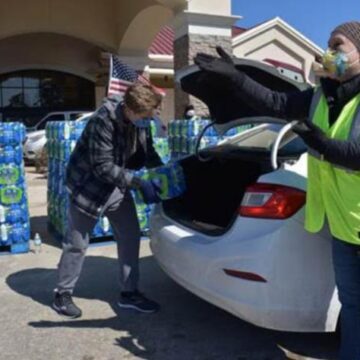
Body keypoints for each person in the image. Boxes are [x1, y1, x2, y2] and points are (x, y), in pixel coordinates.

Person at [195, 21, 360, 359]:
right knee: (353, 304)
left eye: (338, 46)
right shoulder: (320, 95)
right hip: (344, 225)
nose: (328, 53)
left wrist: (322, 144)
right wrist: (237, 79)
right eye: (327, 45)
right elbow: (276, 103)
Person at [53, 83, 164, 318]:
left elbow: (149, 151)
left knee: (130, 235)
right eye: (145, 117)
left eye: (150, 117)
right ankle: (62, 294)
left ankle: (129, 293)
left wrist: (162, 173)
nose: (148, 121)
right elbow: (101, 166)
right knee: (77, 242)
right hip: (88, 187)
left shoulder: (142, 120)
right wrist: (139, 182)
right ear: (130, 110)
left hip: (116, 185)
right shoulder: (101, 121)